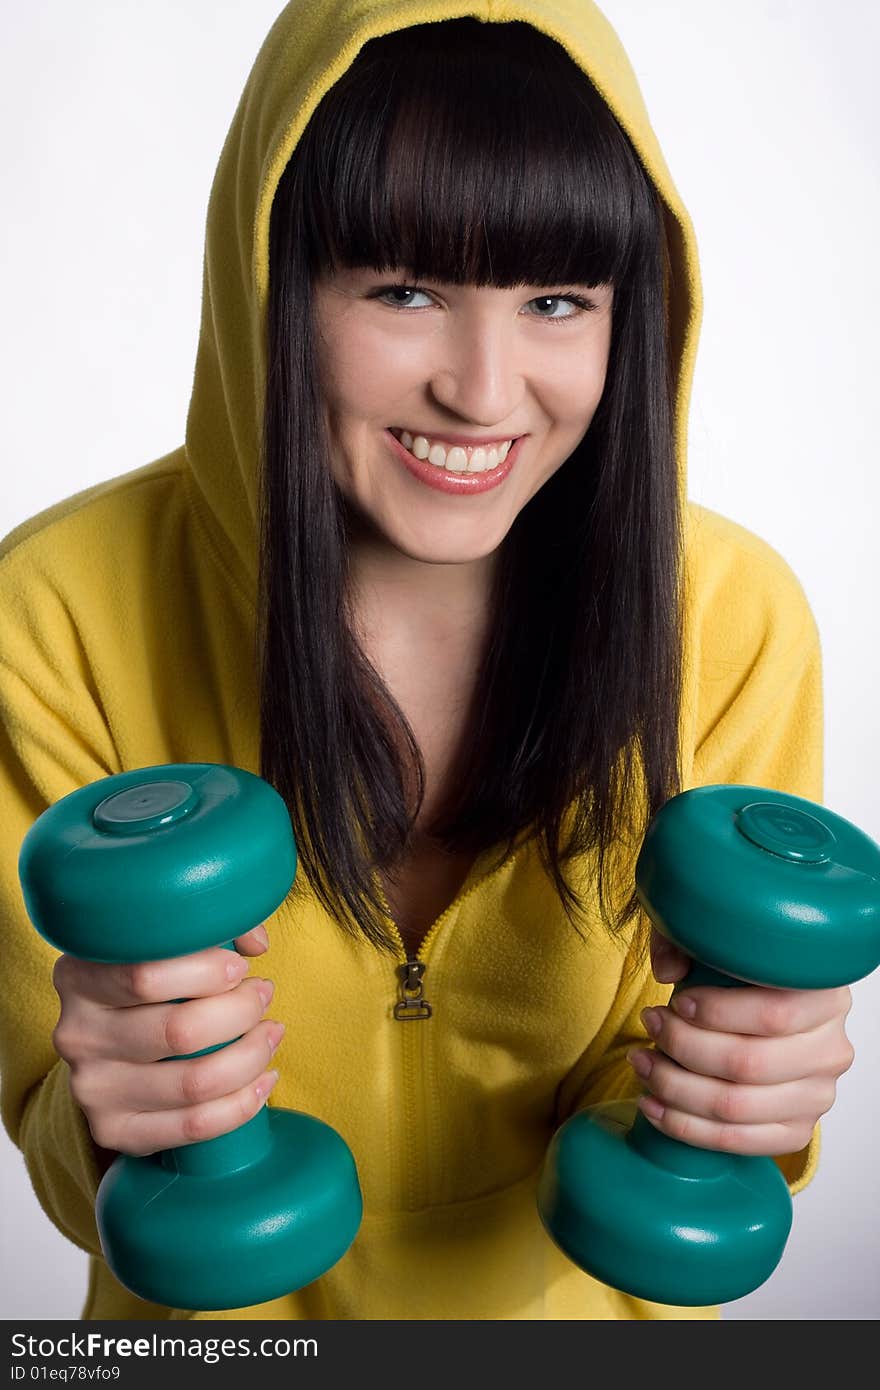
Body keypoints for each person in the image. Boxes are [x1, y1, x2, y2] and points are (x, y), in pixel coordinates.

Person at [0, 0, 855, 1322]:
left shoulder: (729, 615)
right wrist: (114, 1120)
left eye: (558, 300)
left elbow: (695, 1133)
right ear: (274, 281)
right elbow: (59, 1140)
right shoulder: (52, 612)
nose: (484, 387)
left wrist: (749, 1094)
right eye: (406, 289)